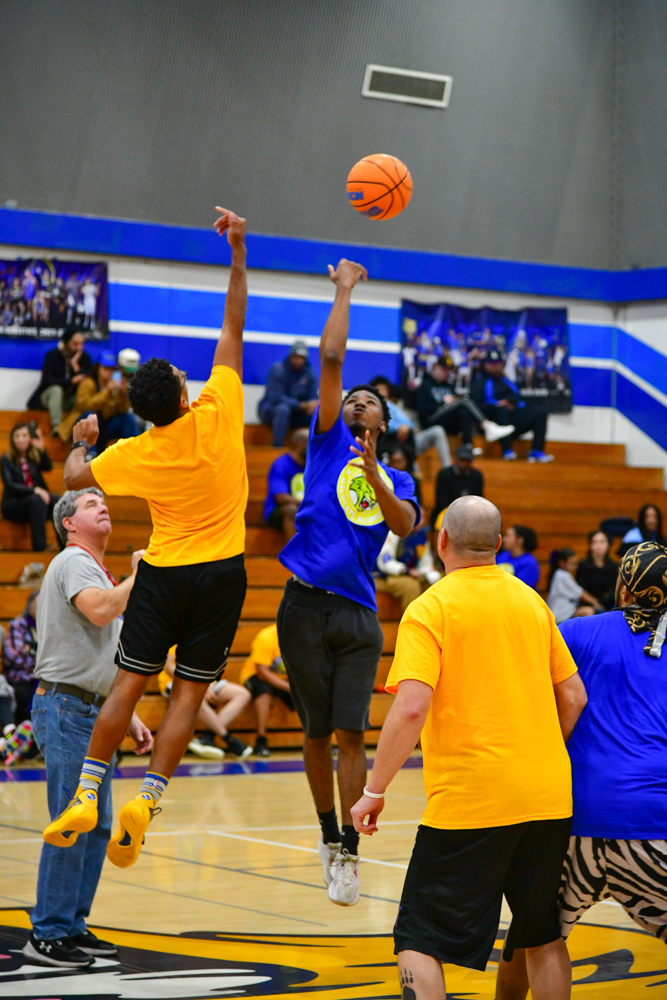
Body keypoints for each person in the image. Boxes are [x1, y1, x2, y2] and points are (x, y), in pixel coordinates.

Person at [42, 207, 249, 869]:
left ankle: (87, 793)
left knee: (129, 684)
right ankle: (149, 802)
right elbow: (232, 325)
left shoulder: (135, 451)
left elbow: (73, 477)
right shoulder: (219, 409)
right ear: (184, 396)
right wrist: (237, 251)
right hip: (222, 573)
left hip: (162, 572)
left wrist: (82, 441)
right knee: (187, 694)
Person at [351, 495, 588, 1000]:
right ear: (498, 544)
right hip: (548, 797)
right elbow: (573, 696)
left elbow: (410, 709)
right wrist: (541, 753)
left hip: (471, 801)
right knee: (541, 934)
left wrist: (374, 790)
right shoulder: (532, 602)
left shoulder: (430, 608)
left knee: (418, 937)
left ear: (441, 541)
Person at [277, 259, 419, 906]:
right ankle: (329, 836)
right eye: (353, 398)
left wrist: (377, 475)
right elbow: (331, 358)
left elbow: (404, 525)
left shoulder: (398, 478)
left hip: (358, 613)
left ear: (384, 424)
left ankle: (353, 856)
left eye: (371, 401)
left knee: (351, 733)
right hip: (303, 604)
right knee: (314, 733)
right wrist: (343, 288)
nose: (358, 401)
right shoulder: (327, 438)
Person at [498, 542, 667, 998]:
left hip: (573, 816)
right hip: (652, 822)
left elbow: (523, 694)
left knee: (531, 938)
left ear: (623, 588)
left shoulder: (576, 631)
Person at [25, 488, 152, 969]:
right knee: (72, 822)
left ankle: (72, 923)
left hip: (92, 711)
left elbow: (103, 658)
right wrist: (139, 578)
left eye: (104, 502)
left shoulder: (96, 571)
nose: (103, 506)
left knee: (95, 826)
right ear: (69, 523)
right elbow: (100, 610)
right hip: (66, 707)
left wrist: (128, 715)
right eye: (90, 504)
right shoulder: (75, 560)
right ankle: (48, 932)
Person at [158, 647, 252, 759]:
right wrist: (195, 684)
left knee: (242, 694)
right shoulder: (177, 642)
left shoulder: (211, 641)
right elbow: (169, 666)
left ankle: (208, 737)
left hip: (203, 681)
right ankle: (228, 738)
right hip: (176, 681)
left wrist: (209, 685)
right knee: (195, 697)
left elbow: (214, 668)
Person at [470, 348, 553, 462]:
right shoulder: (479, 382)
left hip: (513, 420)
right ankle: (507, 450)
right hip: (494, 423)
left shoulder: (507, 382)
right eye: (491, 363)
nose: (494, 366)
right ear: (485, 364)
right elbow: (475, 406)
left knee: (540, 412)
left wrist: (513, 405)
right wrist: (496, 405)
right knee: (502, 410)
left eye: (497, 363)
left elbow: (520, 401)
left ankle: (536, 451)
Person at [417, 355, 514, 449]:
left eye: (448, 370)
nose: (445, 373)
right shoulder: (425, 385)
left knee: (464, 412)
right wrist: (442, 402)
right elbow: (422, 410)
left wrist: (451, 402)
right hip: (430, 420)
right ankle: (487, 426)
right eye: (443, 369)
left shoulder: (448, 386)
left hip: (447, 421)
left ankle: (468, 446)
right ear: (435, 367)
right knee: (464, 400)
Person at [56, 351, 140, 450]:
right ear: (98, 368)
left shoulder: (114, 386)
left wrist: (123, 395)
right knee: (90, 415)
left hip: (104, 427)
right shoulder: (87, 383)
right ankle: (90, 453)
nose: (109, 372)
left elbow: (122, 410)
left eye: (111, 369)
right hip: (84, 425)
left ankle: (137, 449)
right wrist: (106, 391)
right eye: (106, 368)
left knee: (127, 418)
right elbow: (84, 406)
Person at [370, 375, 451, 469]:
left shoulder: (391, 405)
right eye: (380, 389)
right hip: (387, 445)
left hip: (406, 442)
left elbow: (408, 422)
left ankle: (447, 469)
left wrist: (406, 426)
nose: (383, 393)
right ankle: (413, 470)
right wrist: (398, 427)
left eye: (385, 390)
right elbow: (380, 425)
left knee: (437, 430)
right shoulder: (371, 407)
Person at [1, 421, 59, 551]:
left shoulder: (34, 456)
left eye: (24, 435)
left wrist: (42, 449)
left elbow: (48, 467)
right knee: (37, 500)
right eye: (17, 436)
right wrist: (34, 490)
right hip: (14, 504)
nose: (20, 439)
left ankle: (65, 546)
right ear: (12, 439)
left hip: (36, 505)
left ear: (30, 438)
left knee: (57, 501)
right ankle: (40, 547)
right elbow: (10, 485)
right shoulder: (6, 459)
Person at [238, 623, 293, 758]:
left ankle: (319, 738)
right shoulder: (267, 636)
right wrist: (288, 687)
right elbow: (262, 672)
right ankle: (260, 740)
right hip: (255, 675)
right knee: (264, 691)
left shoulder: (302, 636)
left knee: (313, 692)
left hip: (284, 678)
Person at [27, 330, 93, 434]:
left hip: (70, 400)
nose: (79, 348)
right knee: (56, 390)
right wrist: (70, 381)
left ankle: (80, 430)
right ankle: (56, 426)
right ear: (66, 343)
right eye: (75, 344)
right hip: (49, 397)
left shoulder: (85, 358)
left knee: (84, 396)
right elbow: (47, 380)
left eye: (81, 344)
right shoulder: (52, 355)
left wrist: (75, 365)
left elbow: (87, 380)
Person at [258, 340, 318, 447]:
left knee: (318, 414)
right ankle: (277, 449)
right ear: (290, 356)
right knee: (283, 409)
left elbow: (313, 397)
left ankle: (311, 450)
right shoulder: (278, 369)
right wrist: (300, 405)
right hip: (272, 410)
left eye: (301, 358)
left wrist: (313, 406)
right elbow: (275, 397)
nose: (298, 361)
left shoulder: (309, 373)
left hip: (296, 414)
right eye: (296, 357)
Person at [375, 526, 441, 612]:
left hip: (413, 574)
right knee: (411, 586)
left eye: (422, 519)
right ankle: (412, 619)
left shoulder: (421, 537)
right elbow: (385, 562)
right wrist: (405, 571)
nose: (421, 521)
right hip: (389, 575)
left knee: (435, 584)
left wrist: (427, 573)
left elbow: (426, 562)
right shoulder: (393, 533)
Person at [2, 589, 39, 724]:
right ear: (29, 607)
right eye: (37, 605)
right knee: (23, 695)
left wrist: (30, 651)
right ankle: (22, 731)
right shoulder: (18, 624)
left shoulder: (48, 626)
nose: (40, 609)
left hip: (41, 677)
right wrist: (32, 656)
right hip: (21, 678)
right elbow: (12, 658)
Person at [264, 428, 308, 539]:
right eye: (311, 443)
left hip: (305, 507)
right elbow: (280, 497)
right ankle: (293, 550)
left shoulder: (312, 465)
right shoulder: (281, 464)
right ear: (300, 445)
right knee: (291, 509)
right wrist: (307, 503)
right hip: (279, 509)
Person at [430, 444, 484, 528]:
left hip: (470, 515)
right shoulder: (444, 475)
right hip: (447, 512)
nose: (464, 464)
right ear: (456, 459)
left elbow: (479, 500)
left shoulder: (476, 476)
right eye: (462, 460)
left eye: (467, 461)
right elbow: (441, 502)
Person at [547, 548, 604, 623]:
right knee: (588, 612)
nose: (576, 567)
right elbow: (581, 594)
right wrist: (595, 602)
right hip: (560, 616)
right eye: (572, 564)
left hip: (567, 613)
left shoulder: (563, 574)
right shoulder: (562, 575)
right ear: (562, 563)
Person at [575, 530, 617, 609]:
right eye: (595, 542)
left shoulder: (613, 566)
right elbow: (580, 590)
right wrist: (595, 602)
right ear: (590, 545)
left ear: (608, 544)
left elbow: (615, 589)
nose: (598, 546)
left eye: (602, 542)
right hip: (589, 605)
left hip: (608, 605)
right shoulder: (583, 565)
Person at [497, 525, 540, 589]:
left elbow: (520, 587)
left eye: (507, 536)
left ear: (520, 540)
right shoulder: (501, 556)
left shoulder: (530, 563)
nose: (504, 539)